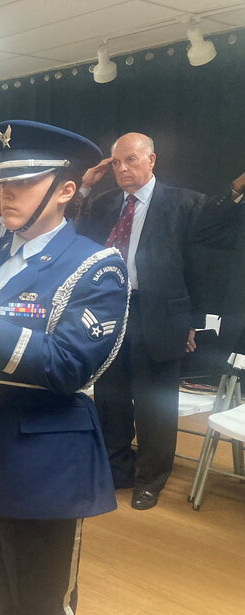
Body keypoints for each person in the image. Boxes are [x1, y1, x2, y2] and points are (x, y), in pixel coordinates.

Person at [0, 120, 128, 615]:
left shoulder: (95, 266)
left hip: (46, 461)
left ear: (65, 190)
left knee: (41, 610)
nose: (4, 193)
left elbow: (70, 365)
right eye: (1, 182)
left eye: (24, 182)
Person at [75, 132, 243, 510]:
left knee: (155, 404)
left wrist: (237, 187)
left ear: (151, 160)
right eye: (116, 163)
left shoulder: (182, 202)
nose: (122, 169)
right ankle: (118, 469)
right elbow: (77, 231)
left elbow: (218, 223)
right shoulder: (103, 204)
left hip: (160, 315)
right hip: (110, 312)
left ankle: (151, 478)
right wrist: (84, 188)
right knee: (111, 398)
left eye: (131, 160)